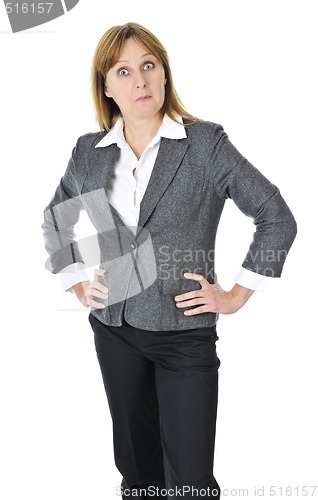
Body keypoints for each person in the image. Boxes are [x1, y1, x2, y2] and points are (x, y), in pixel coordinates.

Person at [42, 22, 297, 499]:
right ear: (107, 86)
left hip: (184, 334)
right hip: (114, 330)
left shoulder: (205, 145)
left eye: (148, 66)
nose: (139, 80)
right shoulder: (90, 153)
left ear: (163, 74)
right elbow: (56, 221)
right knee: (139, 478)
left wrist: (236, 294)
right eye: (124, 70)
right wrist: (77, 282)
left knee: (191, 484)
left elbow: (277, 217)